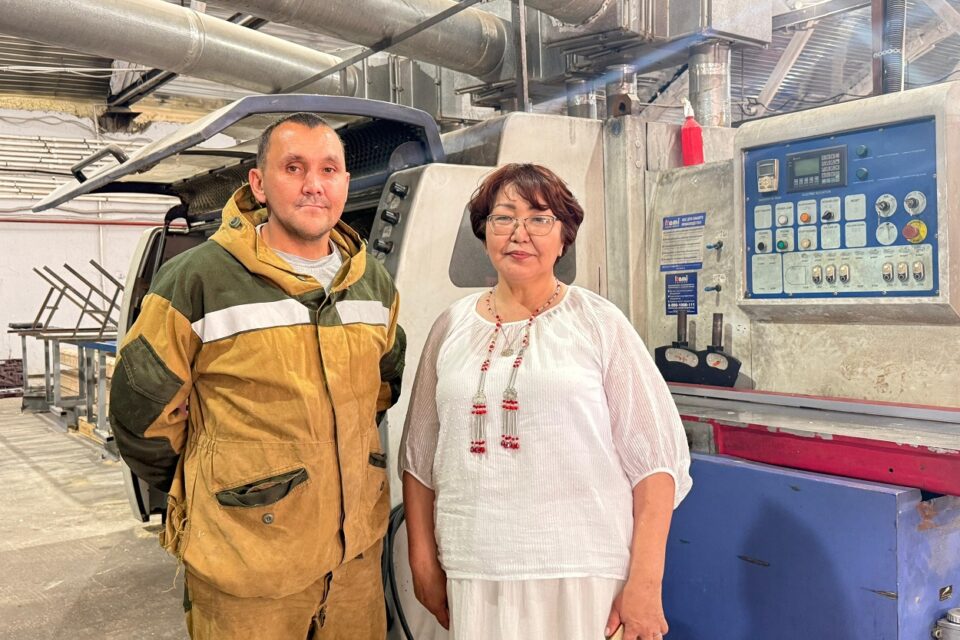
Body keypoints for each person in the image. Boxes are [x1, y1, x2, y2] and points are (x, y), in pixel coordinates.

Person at [110, 112, 406, 640]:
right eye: (293, 168)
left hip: (354, 564)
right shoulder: (199, 279)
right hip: (246, 563)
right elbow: (141, 412)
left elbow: (380, 390)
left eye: (328, 170)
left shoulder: (372, 283)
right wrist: (219, 479)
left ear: (344, 182)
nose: (314, 184)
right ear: (259, 184)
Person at [400, 163, 691, 640]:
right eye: (503, 217)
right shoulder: (451, 326)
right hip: (476, 569)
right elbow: (418, 458)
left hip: (582, 571)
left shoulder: (598, 322)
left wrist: (645, 582)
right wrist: (423, 563)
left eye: (539, 218)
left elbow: (656, 464)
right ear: (484, 231)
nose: (520, 234)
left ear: (563, 236)